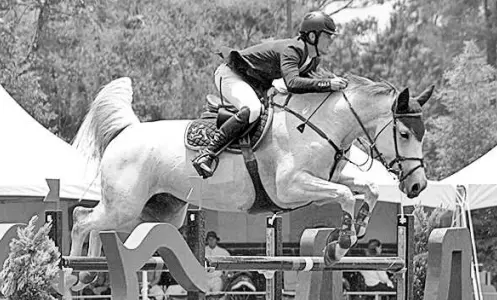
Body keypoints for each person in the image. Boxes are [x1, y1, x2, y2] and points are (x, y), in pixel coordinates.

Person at [192, 11, 349, 178]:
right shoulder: (293, 49)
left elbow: (307, 88)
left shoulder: (313, 60)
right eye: (328, 36)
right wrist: (327, 84)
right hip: (231, 74)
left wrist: (332, 84)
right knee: (253, 109)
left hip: (254, 83)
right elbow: (293, 83)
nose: (331, 40)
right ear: (312, 36)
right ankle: (207, 153)